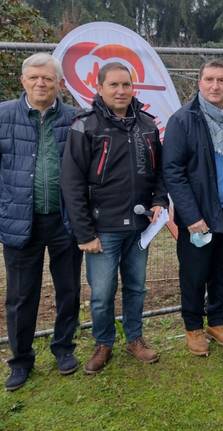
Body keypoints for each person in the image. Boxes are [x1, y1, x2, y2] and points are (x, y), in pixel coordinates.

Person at [61, 62, 168, 374]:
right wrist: (84, 233)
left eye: (126, 85)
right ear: (99, 87)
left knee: (136, 287)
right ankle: (103, 342)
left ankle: (135, 338)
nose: (121, 91)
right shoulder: (85, 126)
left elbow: (159, 171)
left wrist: (159, 200)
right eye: (114, 85)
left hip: (140, 227)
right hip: (102, 228)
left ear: (133, 88)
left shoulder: (147, 124)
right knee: (103, 293)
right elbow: (72, 182)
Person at [0, 53, 82, 391]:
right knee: (21, 296)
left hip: (64, 221)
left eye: (47, 78)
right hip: (21, 221)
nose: (40, 83)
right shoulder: (3, 116)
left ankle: (63, 348)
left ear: (59, 83)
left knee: (68, 290)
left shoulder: (77, 119)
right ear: (23, 81)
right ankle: (20, 360)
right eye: (34, 77)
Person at [163, 61, 223, 356]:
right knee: (194, 273)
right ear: (199, 83)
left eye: (221, 80)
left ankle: (217, 321)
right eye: (209, 80)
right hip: (198, 215)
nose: (215, 86)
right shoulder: (183, 120)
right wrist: (191, 216)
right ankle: (193, 328)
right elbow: (172, 171)